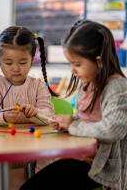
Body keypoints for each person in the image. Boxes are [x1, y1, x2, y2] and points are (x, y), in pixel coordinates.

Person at [20, 20, 127, 190]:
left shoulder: (117, 87)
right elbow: (85, 119)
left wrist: (73, 125)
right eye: (71, 64)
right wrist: (67, 123)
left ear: (98, 61)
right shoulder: (88, 85)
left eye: (77, 64)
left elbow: (113, 129)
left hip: (101, 169)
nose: (72, 70)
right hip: (83, 161)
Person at [0, 26, 56, 189]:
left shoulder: (38, 86)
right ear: (0, 60)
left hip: (34, 149)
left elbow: (49, 116)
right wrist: (4, 117)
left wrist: (36, 113)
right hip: (3, 148)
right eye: (8, 63)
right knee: (1, 173)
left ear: (32, 59)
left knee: (46, 165)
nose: (15, 68)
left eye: (22, 62)